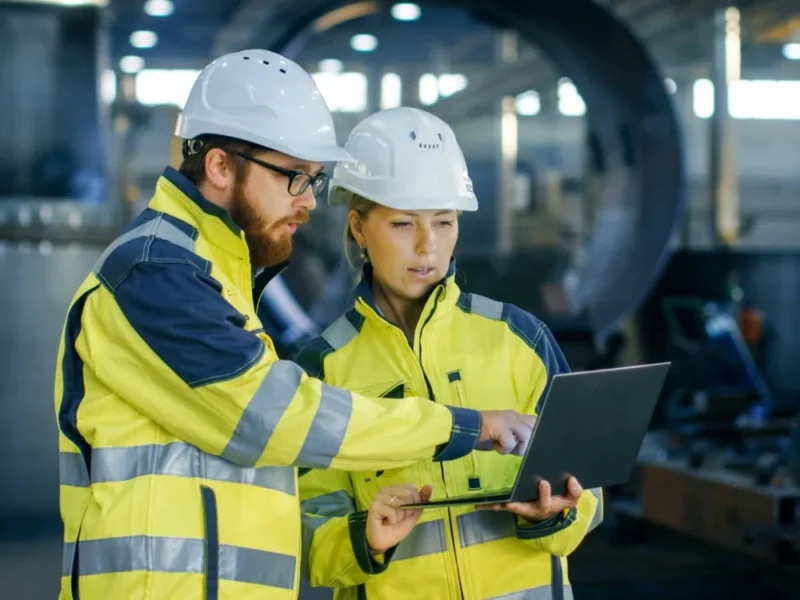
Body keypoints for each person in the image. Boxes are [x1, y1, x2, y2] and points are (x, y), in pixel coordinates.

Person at [52, 50, 537, 600]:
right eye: (294, 177)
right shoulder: (155, 273)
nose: (308, 201)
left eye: (314, 180)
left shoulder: (214, 274)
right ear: (220, 166)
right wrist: (461, 427)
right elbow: (274, 417)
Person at [296, 107, 604, 600]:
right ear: (358, 227)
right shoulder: (322, 370)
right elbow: (308, 533)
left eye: (444, 221)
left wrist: (555, 512)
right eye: (403, 224)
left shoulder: (520, 339)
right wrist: (365, 539)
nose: (428, 246)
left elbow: (589, 490)